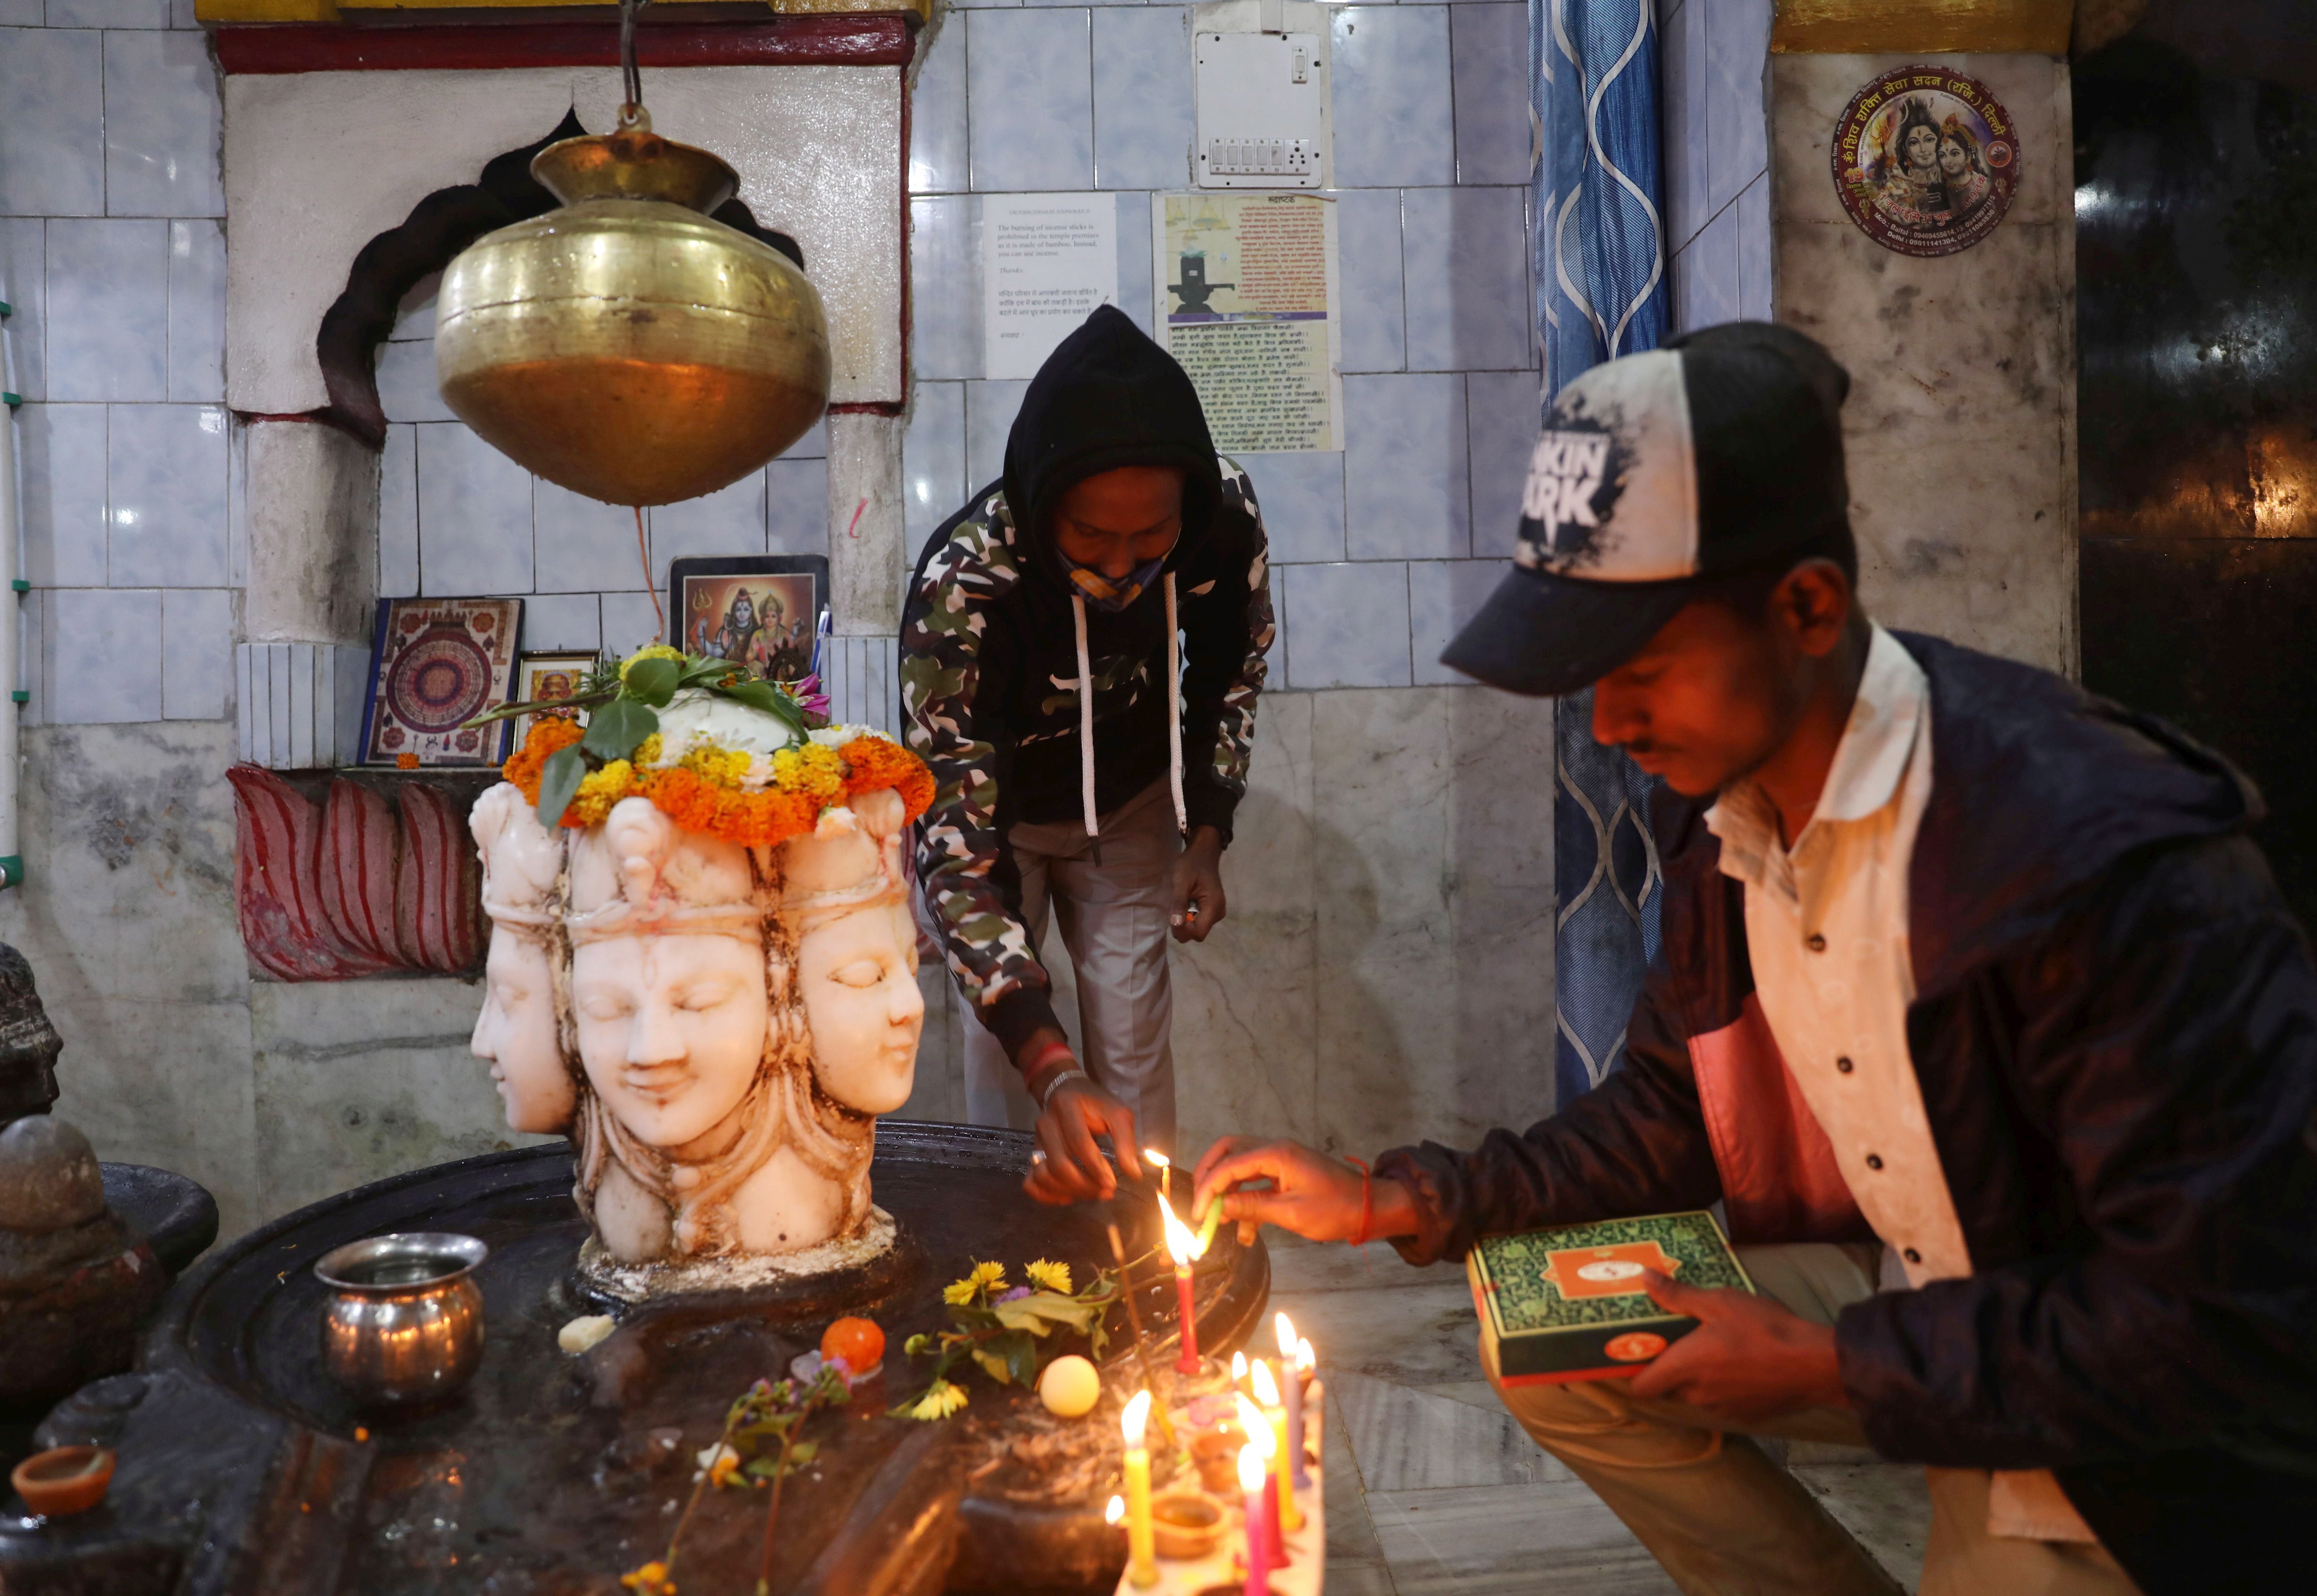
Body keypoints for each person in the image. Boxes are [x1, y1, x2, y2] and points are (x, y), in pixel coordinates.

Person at [1193, 323, 2317, 1595]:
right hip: (1922, 1290)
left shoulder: (2085, 861)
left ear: (1806, 607)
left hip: (2136, 1437)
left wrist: (1839, 1370)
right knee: (1552, 1339)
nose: (1610, 728)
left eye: (1644, 672)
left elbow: (2220, 1323)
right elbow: (1673, 1110)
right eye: (1587, 682)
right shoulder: (1723, 818)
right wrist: (1394, 1200)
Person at [902, 305, 1273, 1200]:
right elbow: (953, 818)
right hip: (1001, 824)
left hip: (1131, 805)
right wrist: (1047, 1059)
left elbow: (1230, 671)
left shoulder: (1222, 522)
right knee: (1018, 1073)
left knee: (1135, 1047)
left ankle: (1144, 1263)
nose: (1122, 564)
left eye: (1150, 536)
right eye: (1092, 536)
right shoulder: (967, 582)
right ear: (1042, 508)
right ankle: (1023, 1271)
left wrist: (1207, 834)